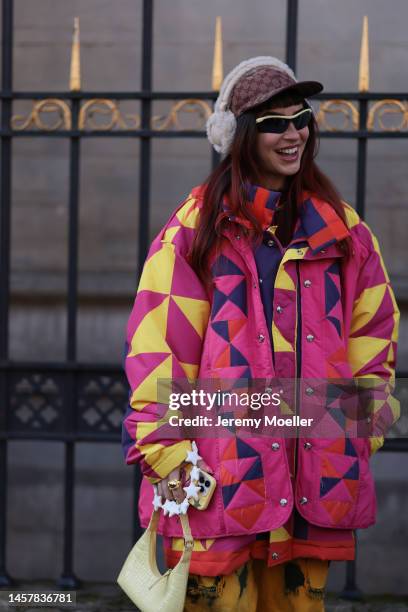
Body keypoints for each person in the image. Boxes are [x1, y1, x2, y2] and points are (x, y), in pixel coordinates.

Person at [122, 56, 400, 611]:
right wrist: (166, 452)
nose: (293, 134)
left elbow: (374, 334)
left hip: (314, 470)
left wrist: (360, 430)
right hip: (221, 470)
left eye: (302, 119)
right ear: (240, 134)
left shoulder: (345, 233)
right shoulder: (194, 230)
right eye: (274, 123)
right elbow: (159, 346)